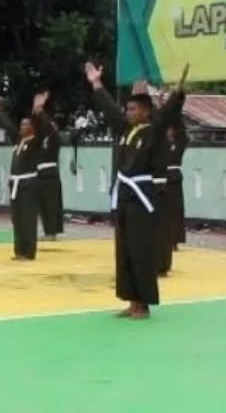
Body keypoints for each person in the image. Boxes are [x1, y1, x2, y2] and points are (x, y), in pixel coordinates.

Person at [85, 60, 185, 319]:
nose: (128, 113)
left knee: (141, 250)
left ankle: (144, 302)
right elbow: (110, 111)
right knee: (124, 251)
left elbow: (168, 114)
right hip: (124, 197)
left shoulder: (154, 131)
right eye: (127, 109)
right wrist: (97, 84)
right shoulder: (126, 130)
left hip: (143, 197)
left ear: (146, 111)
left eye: (133, 109)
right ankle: (131, 299)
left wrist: (178, 92)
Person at [0, 96, 41, 261]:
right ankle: (19, 250)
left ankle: (29, 251)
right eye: (21, 125)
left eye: (26, 125)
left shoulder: (34, 143)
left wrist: (38, 110)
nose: (22, 127)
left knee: (28, 219)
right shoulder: (19, 141)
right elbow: (8, 126)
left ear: (32, 127)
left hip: (28, 184)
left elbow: (42, 127)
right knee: (17, 219)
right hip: (16, 185)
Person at [157, 94, 189, 275]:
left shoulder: (179, 143)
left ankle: (175, 239)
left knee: (176, 210)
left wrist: (176, 106)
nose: (169, 132)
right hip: (161, 178)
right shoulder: (158, 142)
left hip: (174, 178)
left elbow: (180, 128)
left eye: (171, 130)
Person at [32, 92, 65, 240]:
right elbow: (38, 127)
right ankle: (49, 231)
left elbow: (46, 126)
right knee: (44, 204)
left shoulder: (55, 139)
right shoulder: (41, 139)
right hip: (41, 173)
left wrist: (41, 110)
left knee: (51, 204)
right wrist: (36, 110)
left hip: (50, 174)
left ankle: (52, 232)